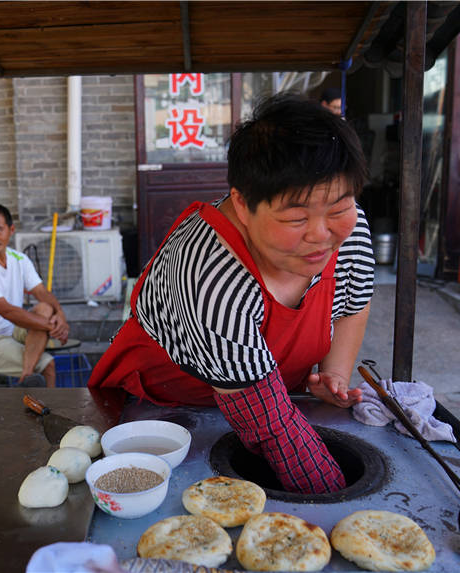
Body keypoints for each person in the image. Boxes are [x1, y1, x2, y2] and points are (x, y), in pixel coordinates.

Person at [89, 94, 374, 494]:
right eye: (295, 218)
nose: (321, 234)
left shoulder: (349, 226)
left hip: (278, 400)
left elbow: (351, 306)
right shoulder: (209, 270)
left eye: (339, 208)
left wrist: (334, 375)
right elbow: (272, 427)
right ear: (242, 203)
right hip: (164, 412)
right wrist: (339, 500)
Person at [0, 203, 70, 387]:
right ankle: (41, 398)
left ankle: (26, 379)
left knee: (45, 307)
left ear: (11, 230)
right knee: (47, 365)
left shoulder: (19, 259)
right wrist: (54, 327)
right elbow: (7, 312)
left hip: (10, 329)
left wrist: (60, 315)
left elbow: (41, 292)